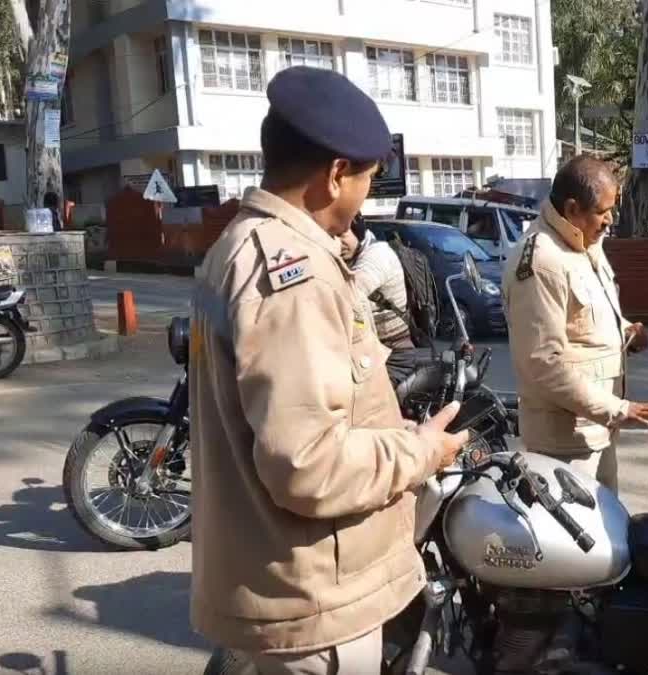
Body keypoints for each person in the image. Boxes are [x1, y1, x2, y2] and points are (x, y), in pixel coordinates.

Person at [187, 66, 468, 674]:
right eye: (366, 179)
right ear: (336, 174)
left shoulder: (234, 246)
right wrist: (419, 452)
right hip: (315, 597)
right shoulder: (294, 273)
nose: (367, 197)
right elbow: (306, 464)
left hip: (283, 574)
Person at [502, 155, 648, 493]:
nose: (610, 220)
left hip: (596, 431)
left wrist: (625, 331)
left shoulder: (583, 243)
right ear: (573, 208)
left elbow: (582, 320)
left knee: (610, 532)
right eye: (603, 212)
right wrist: (618, 409)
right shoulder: (541, 261)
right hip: (564, 441)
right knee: (578, 543)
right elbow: (543, 364)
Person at [340, 219, 418, 388]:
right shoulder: (351, 257)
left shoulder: (377, 255)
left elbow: (348, 295)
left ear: (358, 231)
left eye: (342, 235)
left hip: (393, 355)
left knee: (364, 406)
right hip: (370, 353)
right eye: (332, 236)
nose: (338, 242)